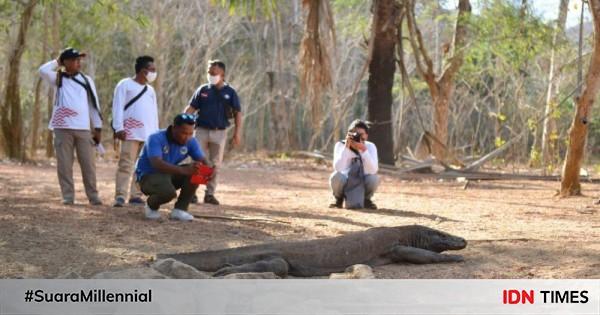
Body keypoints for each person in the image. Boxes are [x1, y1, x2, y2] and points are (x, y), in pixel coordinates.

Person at [39, 47, 103, 205]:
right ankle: (68, 196)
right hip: (62, 128)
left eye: (79, 60)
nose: (78, 62)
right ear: (65, 62)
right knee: (64, 165)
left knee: (88, 164)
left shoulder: (87, 80)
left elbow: (94, 105)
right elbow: (42, 70)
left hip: (83, 129)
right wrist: (57, 62)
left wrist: (98, 128)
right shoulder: (57, 78)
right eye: (74, 60)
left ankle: (93, 196)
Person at [183, 59, 242, 205]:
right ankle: (191, 193)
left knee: (215, 164)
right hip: (201, 131)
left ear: (222, 73)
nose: (210, 74)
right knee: (196, 161)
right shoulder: (203, 90)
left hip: (219, 132)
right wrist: (182, 123)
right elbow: (191, 108)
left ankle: (209, 194)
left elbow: (238, 114)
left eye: (213, 72)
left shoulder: (230, 92)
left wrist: (237, 133)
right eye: (208, 72)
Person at [135, 114, 212, 221]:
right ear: (174, 128)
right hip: (148, 176)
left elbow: (203, 160)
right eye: (184, 133)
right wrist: (183, 170)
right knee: (169, 193)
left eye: (190, 133)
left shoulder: (191, 141)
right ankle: (151, 206)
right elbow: (156, 163)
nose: (187, 137)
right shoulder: (155, 138)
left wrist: (209, 169)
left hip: (168, 174)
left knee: (197, 171)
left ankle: (180, 210)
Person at [112, 56, 159, 207]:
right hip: (130, 132)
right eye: (152, 70)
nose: (154, 72)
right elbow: (117, 107)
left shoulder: (150, 90)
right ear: (143, 71)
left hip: (148, 135)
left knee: (142, 167)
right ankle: (120, 195)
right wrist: (118, 127)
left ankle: (136, 195)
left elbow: (154, 113)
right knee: (126, 164)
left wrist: (156, 135)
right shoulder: (125, 85)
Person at [329, 119, 380, 209]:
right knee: (336, 176)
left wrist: (364, 151)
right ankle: (338, 199)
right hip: (345, 180)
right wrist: (346, 149)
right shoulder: (340, 145)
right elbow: (338, 168)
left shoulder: (370, 146)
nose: (358, 137)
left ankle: (366, 199)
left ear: (366, 136)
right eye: (355, 134)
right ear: (348, 134)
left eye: (361, 135)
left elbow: (373, 170)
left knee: (374, 178)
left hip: (362, 180)